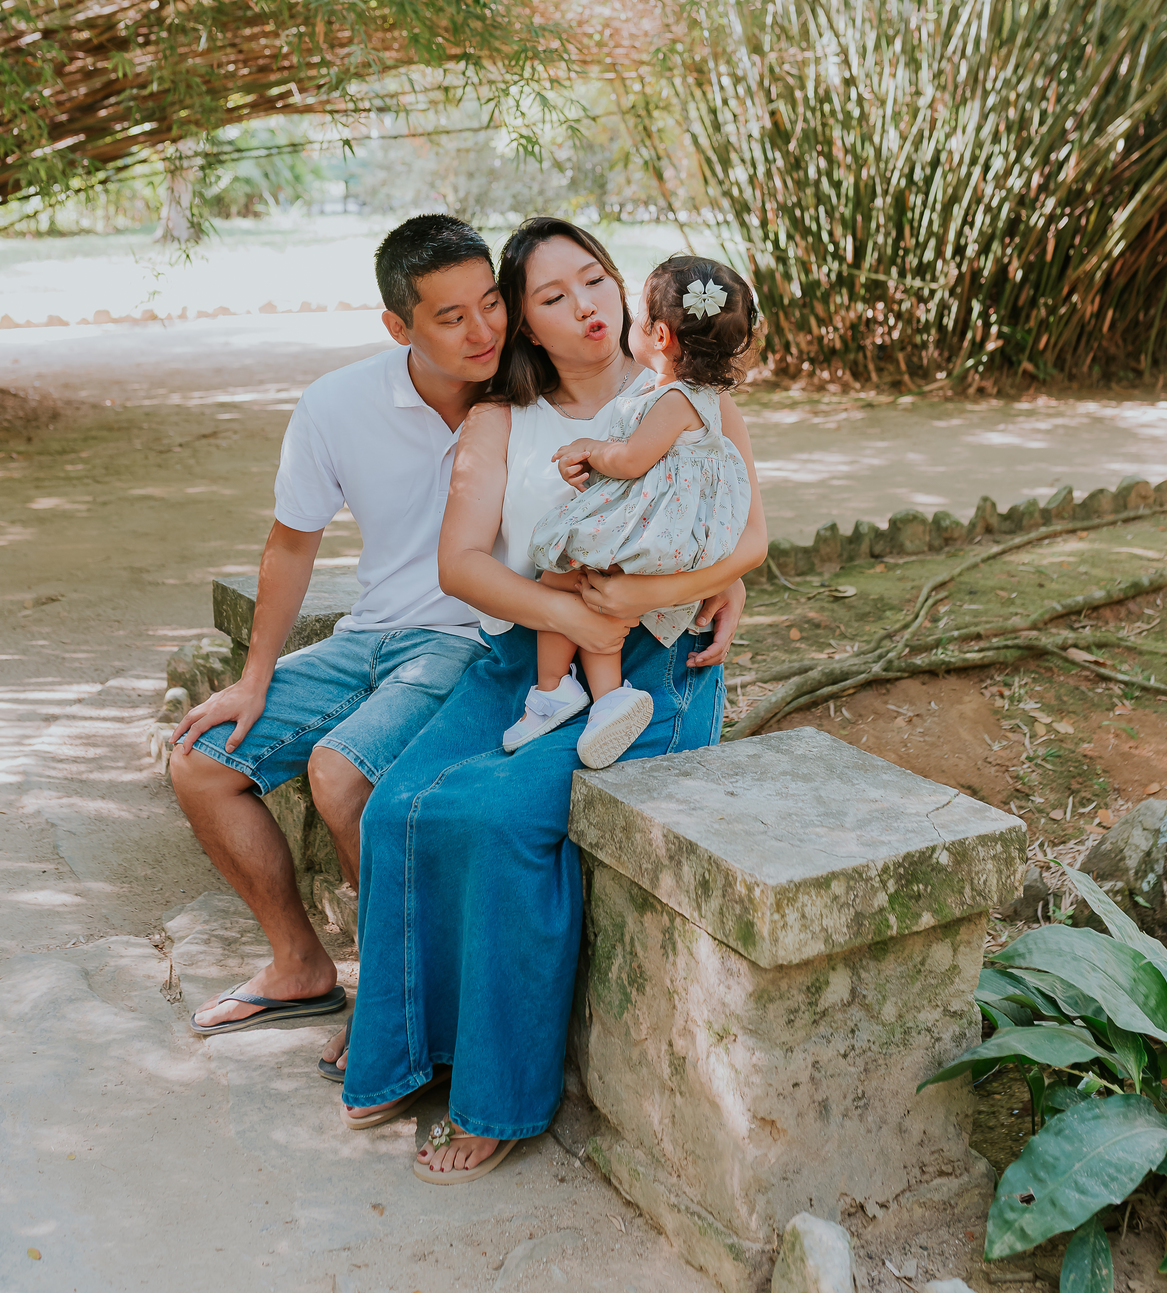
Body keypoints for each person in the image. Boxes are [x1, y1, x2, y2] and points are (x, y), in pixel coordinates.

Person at [337, 215, 767, 1179]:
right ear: (526, 321)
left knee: (503, 820)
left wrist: (662, 595)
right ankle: (405, 1051)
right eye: (552, 295)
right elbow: (461, 564)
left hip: (652, 670)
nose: (586, 307)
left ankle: (497, 1097)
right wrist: (571, 616)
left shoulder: (686, 393)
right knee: (399, 806)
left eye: (596, 280)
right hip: (529, 658)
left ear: (623, 287)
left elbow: (747, 539)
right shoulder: (502, 421)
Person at [167, 214, 507, 1049]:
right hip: (369, 634)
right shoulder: (338, 404)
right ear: (399, 326)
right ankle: (300, 965)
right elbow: (292, 543)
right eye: (452, 316)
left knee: (342, 773)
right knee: (200, 763)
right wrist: (254, 677)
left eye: (492, 302)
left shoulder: (535, 390)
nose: (483, 330)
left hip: (469, 640)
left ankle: (395, 1005)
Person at [511, 255, 759, 769]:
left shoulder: (672, 399)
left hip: (650, 535)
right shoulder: (700, 398)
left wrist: (588, 449)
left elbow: (629, 460)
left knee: (559, 573)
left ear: (660, 335)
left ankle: (555, 689)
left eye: (639, 312)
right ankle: (606, 700)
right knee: (594, 597)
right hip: (670, 536)